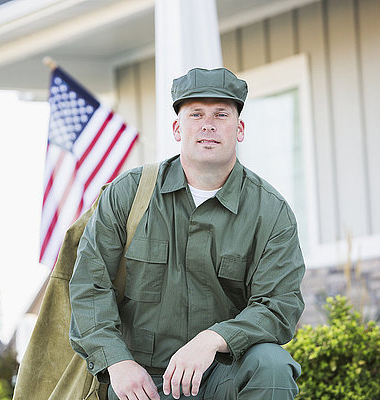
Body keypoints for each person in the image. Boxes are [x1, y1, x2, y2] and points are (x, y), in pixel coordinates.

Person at [69, 67, 305, 400]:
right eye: (196, 114)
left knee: (271, 363)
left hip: (220, 376)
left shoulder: (270, 212)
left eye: (221, 114)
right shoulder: (129, 195)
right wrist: (117, 362)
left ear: (239, 129)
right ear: (178, 128)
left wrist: (213, 338)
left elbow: (278, 306)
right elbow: (89, 287)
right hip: (142, 382)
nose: (208, 124)